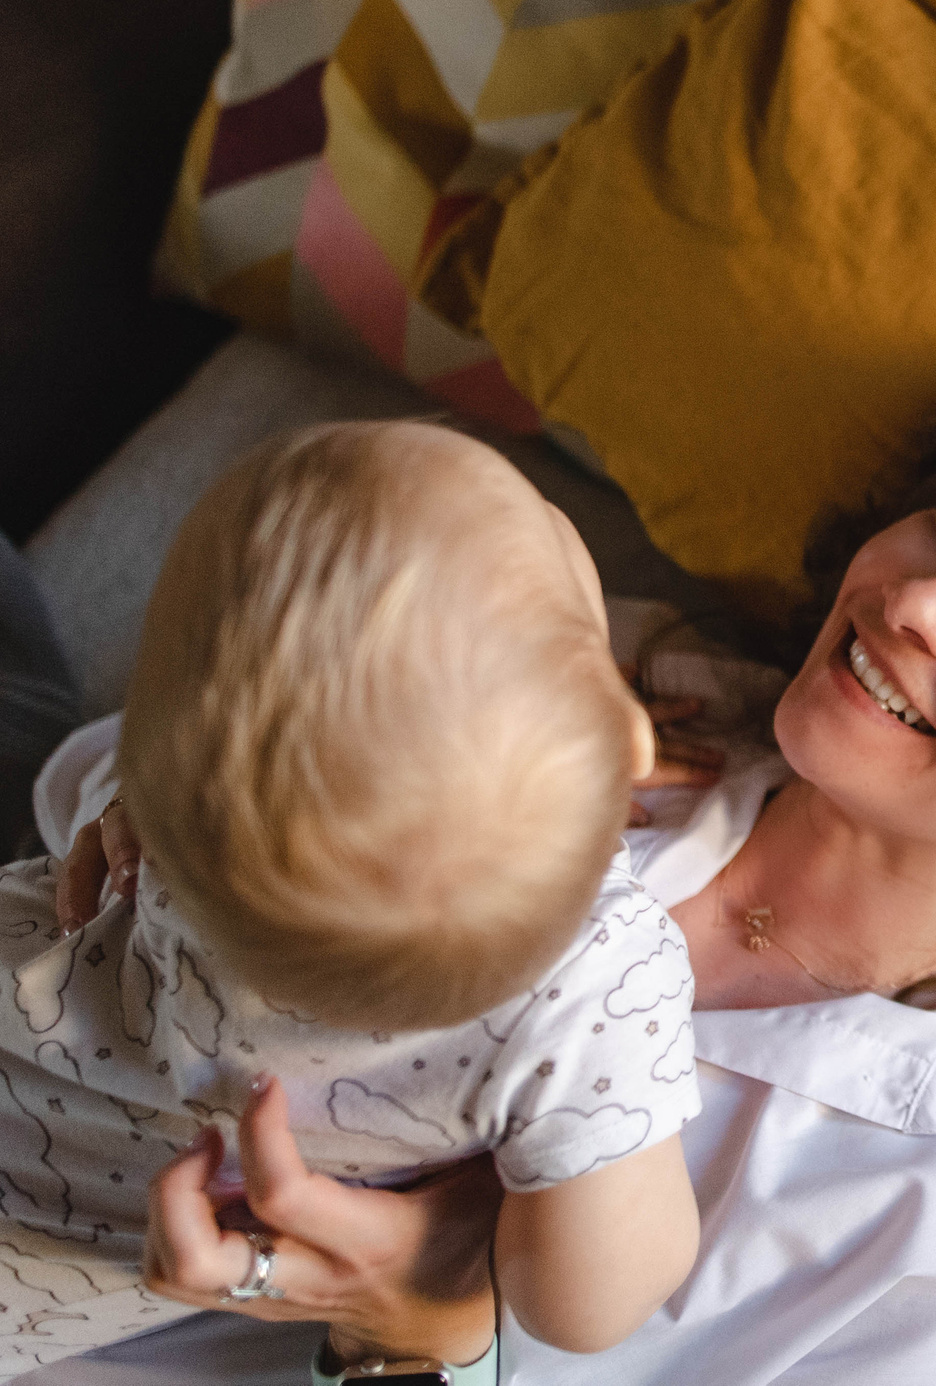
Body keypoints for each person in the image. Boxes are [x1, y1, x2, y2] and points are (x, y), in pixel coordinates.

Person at [103, 366, 936, 1385]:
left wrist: (420, 1339)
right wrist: (149, 802)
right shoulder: (637, 669)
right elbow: (151, 739)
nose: (920, 596)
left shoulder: (928, 1229)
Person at [0, 423, 706, 1380]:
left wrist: (155, 803)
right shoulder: (591, 997)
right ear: (633, 744)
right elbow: (582, 1307)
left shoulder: (206, 844)